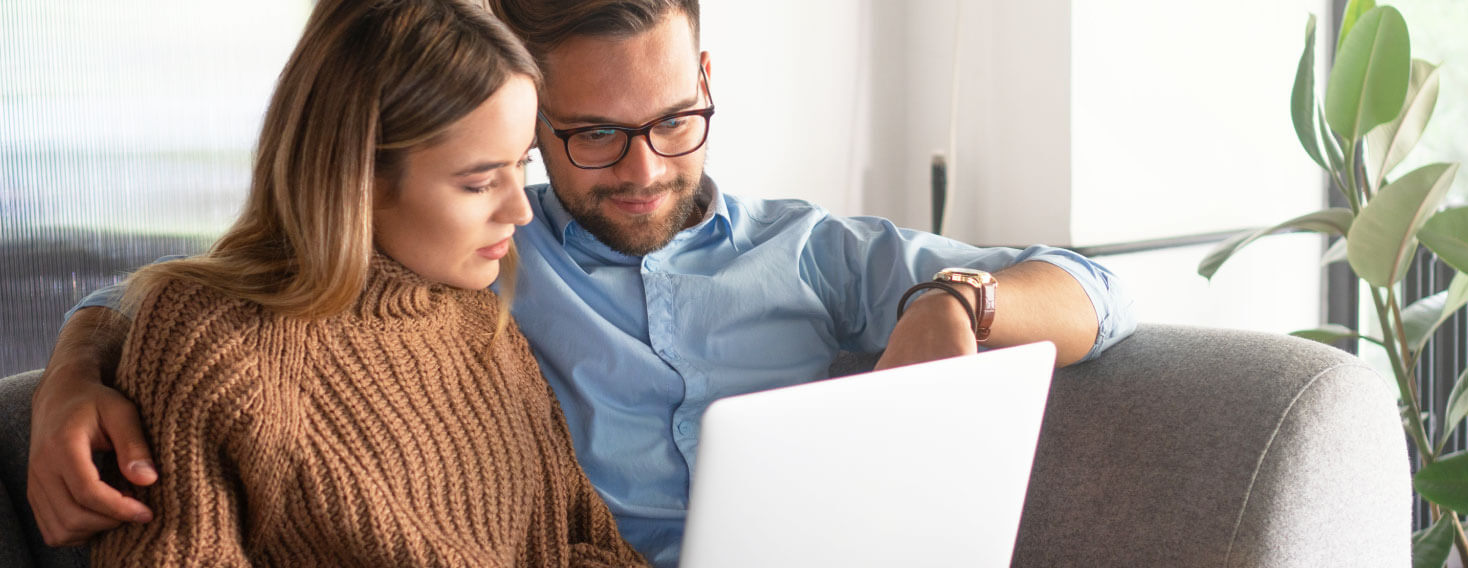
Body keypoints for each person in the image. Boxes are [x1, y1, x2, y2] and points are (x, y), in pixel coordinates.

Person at [28, 0, 1136, 566]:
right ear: (527, 117)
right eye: (593, 136)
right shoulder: (496, 269)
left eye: (674, 122)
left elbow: (1095, 291)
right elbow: (207, 297)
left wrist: (953, 300)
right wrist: (74, 373)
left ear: (706, 77)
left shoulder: (812, 252)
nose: (645, 168)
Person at [52, 0, 647, 565]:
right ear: (358, 177)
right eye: (478, 181)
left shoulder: (476, 319)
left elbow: (582, 544)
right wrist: (73, 367)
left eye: (522, 163)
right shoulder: (216, 343)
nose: (521, 211)